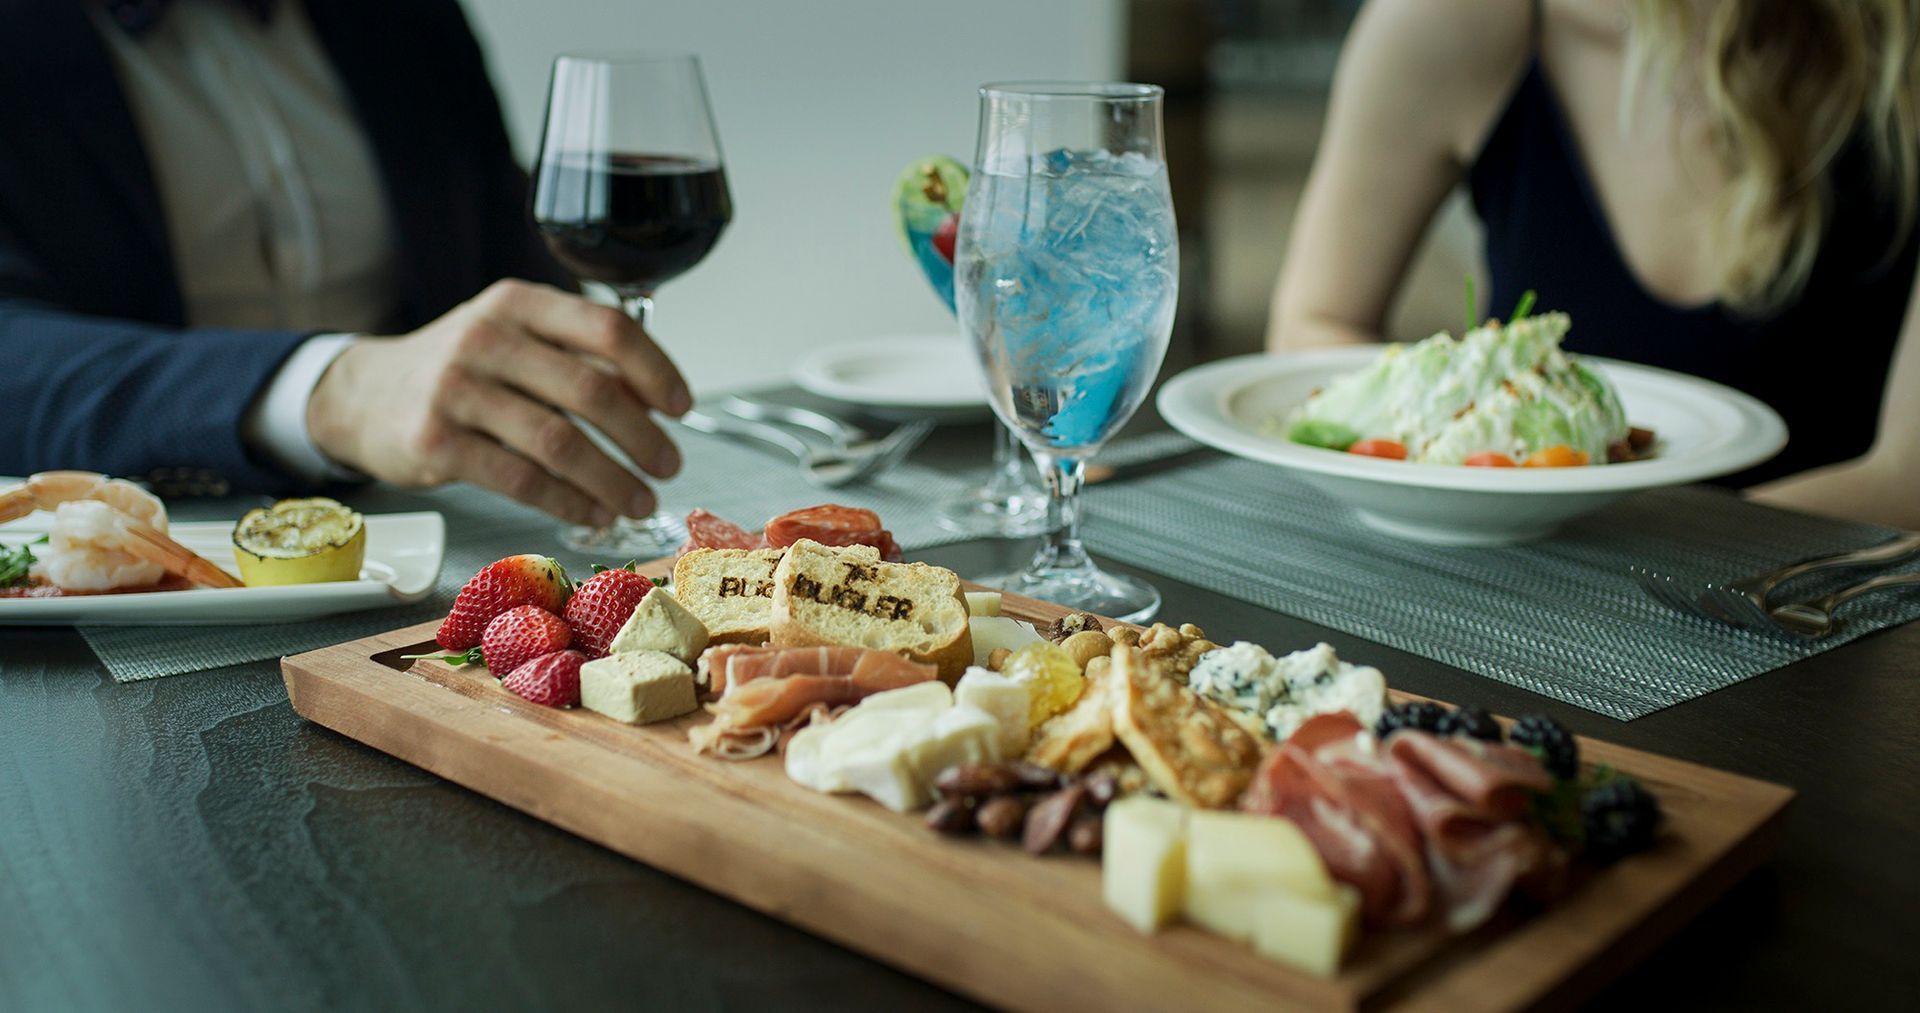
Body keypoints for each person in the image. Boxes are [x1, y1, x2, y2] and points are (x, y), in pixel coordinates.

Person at [0, 0, 689, 528]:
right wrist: (327, 392)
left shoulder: (409, 17)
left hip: (441, 543)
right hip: (125, 569)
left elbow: (510, 263)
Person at [1268, 0, 1919, 528]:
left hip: (1831, 612)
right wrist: (1447, 453)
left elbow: (1906, 480)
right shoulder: (1453, 24)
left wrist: (1616, 561)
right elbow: (1314, 321)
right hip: (1515, 593)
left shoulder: (1899, 56)